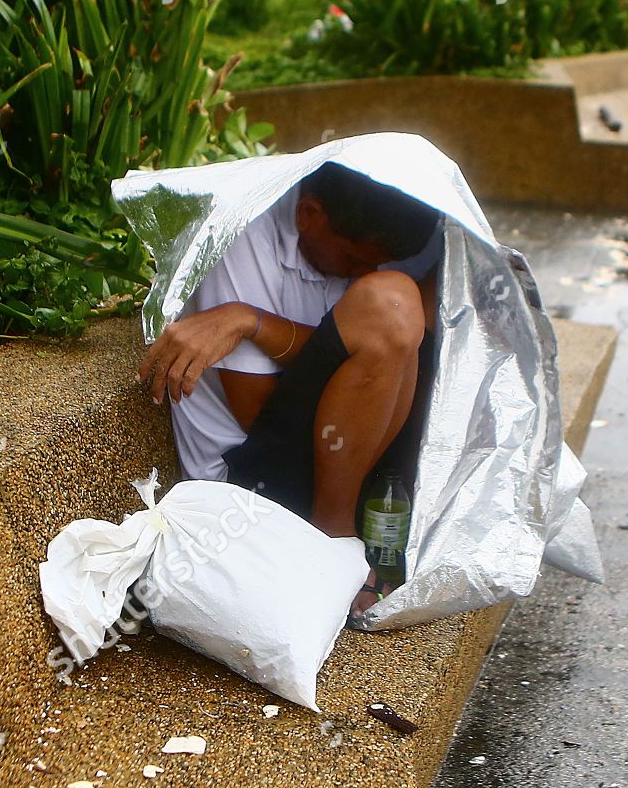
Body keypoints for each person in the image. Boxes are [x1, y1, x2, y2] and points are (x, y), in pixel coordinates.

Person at [136, 162, 442, 611]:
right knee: (390, 302)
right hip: (251, 480)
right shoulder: (243, 240)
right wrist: (256, 321)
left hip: (329, 457)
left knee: (425, 297)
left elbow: (340, 351)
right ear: (309, 215)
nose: (364, 271)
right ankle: (330, 540)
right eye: (357, 258)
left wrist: (251, 322)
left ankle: (372, 511)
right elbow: (254, 410)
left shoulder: (338, 242)